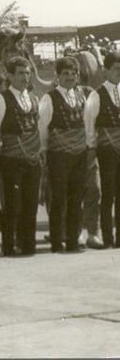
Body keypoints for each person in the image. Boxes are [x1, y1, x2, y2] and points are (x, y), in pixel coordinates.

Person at [39, 56, 93, 253]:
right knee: (59, 198)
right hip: (58, 154)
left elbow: (87, 125)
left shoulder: (82, 96)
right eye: (65, 73)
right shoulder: (49, 98)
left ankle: (72, 240)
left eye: (73, 74)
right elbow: (42, 128)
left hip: (79, 154)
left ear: (77, 76)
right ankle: (56, 242)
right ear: (58, 76)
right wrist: (45, 152)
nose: (70, 77)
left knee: (76, 198)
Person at [0, 57, 41, 257]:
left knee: (31, 203)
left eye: (27, 73)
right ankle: (9, 246)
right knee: (12, 204)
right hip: (10, 159)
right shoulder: (0, 100)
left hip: (32, 159)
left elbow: (37, 129)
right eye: (20, 73)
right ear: (10, 75)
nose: (24, 77)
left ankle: (28, 245)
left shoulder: (34, 99)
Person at [85, 51, 120, 249]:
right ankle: (107, 237)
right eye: (116, 69)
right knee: (108, 194)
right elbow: (90, 126)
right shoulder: (96, 95)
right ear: (106, 71)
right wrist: (92, 149)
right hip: (106, 152)